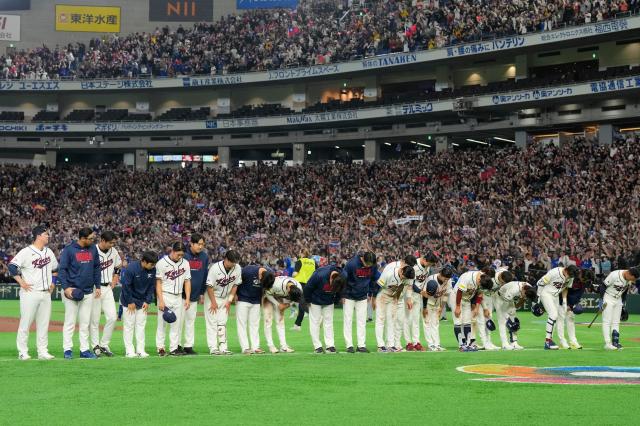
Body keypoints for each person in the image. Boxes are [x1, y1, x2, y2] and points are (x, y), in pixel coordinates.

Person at [9, 226, 58, 360]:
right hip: (30, 292)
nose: (48, 236)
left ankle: (42, 351)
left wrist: (53, 282)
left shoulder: (49, 252)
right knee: (26, 322)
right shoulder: (26, 252)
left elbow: (55, 269)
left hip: (45, 293)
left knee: (43, 323)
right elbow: (12, 267)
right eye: (46, 234)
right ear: (38, 236)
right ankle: (22, 352)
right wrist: (21, 282)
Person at [58, 227, 101, 359]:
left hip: (88, 291)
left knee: (85, 323)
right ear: (82, 238)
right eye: (90, 238)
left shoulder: (93, 249)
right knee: (70, 322)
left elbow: (96, 267)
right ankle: (67, 350)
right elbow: (62, 270)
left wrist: (98, 286)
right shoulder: (69, 250)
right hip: (72, 291)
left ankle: (84, 350)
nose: (93, 241)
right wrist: (66, 288)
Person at [155, 242, 191, 356]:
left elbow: (187, 281)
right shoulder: (161, 263)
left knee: (176, 324)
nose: (180, 257)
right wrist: (160, 300)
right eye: (178, 254)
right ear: (172, 251)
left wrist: (188, 298)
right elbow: (158, 283)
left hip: (178, 296)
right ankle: (160, 348)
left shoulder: (185, 263)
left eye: (182, 255)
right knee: (162, 324)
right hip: (165, 295)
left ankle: (173, 349)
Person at [90, 231, 122, 357]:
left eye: (114, 243)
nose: (112, 245)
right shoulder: (93, 250)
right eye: (110, 242)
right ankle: (95, 345)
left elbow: (118, 265)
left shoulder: (113, 251)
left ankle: (104, 344)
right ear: (102, 240)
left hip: (107, 287)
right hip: (94, 288)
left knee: (113, 317)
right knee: (95, 319)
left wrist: (115, 277)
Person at [120, 251, 157, 358]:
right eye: (151, 264)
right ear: (144, 261)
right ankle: (129, 350)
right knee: (129, 326)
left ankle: (140, 350)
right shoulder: (131, 268)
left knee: (141, 326)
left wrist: (147, 301)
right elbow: (126, 286)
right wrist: (130, 302)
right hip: (129, 301)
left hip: (142, 301)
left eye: (154, 264)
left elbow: (151, 286)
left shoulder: (153, 270)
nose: (153, 266)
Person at [448, 267, 495, 352]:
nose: (480, 287)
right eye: (480, 285)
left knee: (467, 322)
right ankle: (461, 345)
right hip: (456, 297)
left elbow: (479, 294)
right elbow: (459, 291)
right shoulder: (467, 277)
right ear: (479, 280)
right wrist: (457, 306)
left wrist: (476, 307)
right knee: (458, 321)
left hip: (467, 299)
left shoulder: (483, 279)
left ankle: (468, 344)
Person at [205, 250, 242, 355]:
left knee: (222, 322)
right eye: (232, 262)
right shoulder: (215, 268)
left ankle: (223, 347)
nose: (234, 264)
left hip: (225, 297)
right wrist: (213, 302)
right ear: (226, 259)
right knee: (212, 323)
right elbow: (209, 286)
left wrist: (229, 301)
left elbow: (235, 285)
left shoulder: (237, 268)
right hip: (213, 296)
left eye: (235, 262)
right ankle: (213, 348)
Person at [341, 251, 379, 353]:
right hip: (349, 296)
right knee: (348, 320)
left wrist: (370, 293)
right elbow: (343, 279)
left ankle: (361, 345)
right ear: (362, 259)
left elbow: (373, 279)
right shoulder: (351, 264)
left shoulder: (373, 265)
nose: (369, 266)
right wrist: (343, 294)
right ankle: (349, 345)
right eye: (367, 264)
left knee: (362, 321)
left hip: (363, 296)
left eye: (371, 265)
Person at [303, 264, 346, 354]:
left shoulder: (343, 276)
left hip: (329, 301)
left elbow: (341, 290)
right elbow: (307, 288)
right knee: (315, 322)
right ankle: (317, 346)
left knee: (329, 322)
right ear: (331, 279)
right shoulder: (319, 275)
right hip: (315, 300)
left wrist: (336, 300)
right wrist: (308, 301)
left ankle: (330, 345)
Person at [374, 262, 416, 352]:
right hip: (383, 296)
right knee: (380, 320)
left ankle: (391, 345)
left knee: (392, 320)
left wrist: (398, 299)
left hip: (393, 298)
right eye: (403, 276)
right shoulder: (389, 274)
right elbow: (377, 286)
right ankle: (380, 346)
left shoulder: (409, 276)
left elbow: (405, 287)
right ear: (401, 270)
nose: (403, 278)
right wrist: (373, 299)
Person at [535, 265, 579, 350]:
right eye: (569, 275)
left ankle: (550, 340)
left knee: (556, 318)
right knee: (553, 315)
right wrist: (537, 299)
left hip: (555, 296)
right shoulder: (554, 272)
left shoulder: (571, 275)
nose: (569, 277)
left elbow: (566, 288)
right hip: (546, 293)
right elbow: (540, 283)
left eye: (571, 276)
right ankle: (547, 341)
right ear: (566, 270)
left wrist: (565, 301)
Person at [180, 233, 208, 355]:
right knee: (179, 321)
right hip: (180, 295)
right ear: (191, 243)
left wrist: (202, 292)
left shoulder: (204, 257)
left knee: (190, 321)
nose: (201, 246)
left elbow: (204, 276)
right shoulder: (184, 255)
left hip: (195, 295)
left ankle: (188, 346)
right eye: (199, 244)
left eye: (202, 244)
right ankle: (176, 345)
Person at [237, 263, 274, 354]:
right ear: (260, 275)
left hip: (256, 301)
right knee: (242, 324)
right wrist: (234, 296)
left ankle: (255, 347)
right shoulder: (247, 271)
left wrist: (261, 302)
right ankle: (245, 348)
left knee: (255, 325)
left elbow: (265, 290)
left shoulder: (269, 274)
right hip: (243, 299)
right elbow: (236, 283)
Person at [405, 252, 438, 351]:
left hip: (418, 295)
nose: (430, 266)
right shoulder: (414, 266)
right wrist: (420, 292)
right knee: (408, 319)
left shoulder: (426, 267)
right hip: (409, 293)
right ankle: (408, 343)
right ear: (424, 259)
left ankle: (416, 342)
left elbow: (422, 283)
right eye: (430, 263)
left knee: (416, 320)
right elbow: (409, 282)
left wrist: (423, 301)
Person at [473, 269, 513, 351]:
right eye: (503, 281)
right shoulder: (490, 278)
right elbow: (480, 292)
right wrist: (485, 308)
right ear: (500, 276)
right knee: (484, 320)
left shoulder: (505, 274)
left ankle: (492, 342)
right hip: (482, 298)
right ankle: (485, 342)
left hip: (492, 297)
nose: (503, 284)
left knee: (493, 319)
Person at [601, 268, 640, 350]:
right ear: (629, 274)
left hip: (618, 299)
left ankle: (615, 342)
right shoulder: (614, 275)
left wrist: (623, 304)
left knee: (616, 321)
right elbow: (603, 286)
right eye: (632, 278)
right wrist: (601, 300)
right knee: (607, 321)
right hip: (608, 297)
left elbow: (625, 292)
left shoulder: (629, 279)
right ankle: (607, 343)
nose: (632, 280)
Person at [264, 276, 302, 353]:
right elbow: (267, 293)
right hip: (268, 295)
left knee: (280, 321)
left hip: (280, 296)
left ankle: (283, 346)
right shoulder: (276, 285)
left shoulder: (299, 288)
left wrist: (287, 305)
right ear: (288, 289)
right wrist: (278, 304)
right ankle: (271, 346)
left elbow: (294, 300)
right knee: (268, 321)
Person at [494, 280, 537, 350]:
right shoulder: (514, 290)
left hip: (510, 300)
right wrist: (508, 319)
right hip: (500, 298)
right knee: (503, 321)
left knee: (514, 321)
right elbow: (503, 308)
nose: (525, 297)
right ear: (523, 289)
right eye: (525, 295)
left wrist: (514, 309)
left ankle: (514, 342)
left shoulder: (529, 289)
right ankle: (504, 344)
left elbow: (523, 300)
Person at [422, 265, 454, 351]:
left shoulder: (448, 280)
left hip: (437, 304)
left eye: (448, 278)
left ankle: (437, 344)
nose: (446, 280)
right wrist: (424, 308)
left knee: (435, 323)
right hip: (428, 303)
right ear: (440, 274)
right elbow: (425, 294)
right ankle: (430, 344)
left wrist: (441, 308)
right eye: (445, 278)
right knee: (427, 323)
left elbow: (446, 295)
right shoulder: (431, 279)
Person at [291, 248, 316, 330]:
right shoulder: (313, 262)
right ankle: (297, 325)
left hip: (300, 284)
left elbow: (295, 274)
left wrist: (291, 276)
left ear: (302, 253)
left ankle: (315, 316)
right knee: (302, 303)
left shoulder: (300, 261)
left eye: (299, 252)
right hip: (310, 284)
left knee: (302, 304)